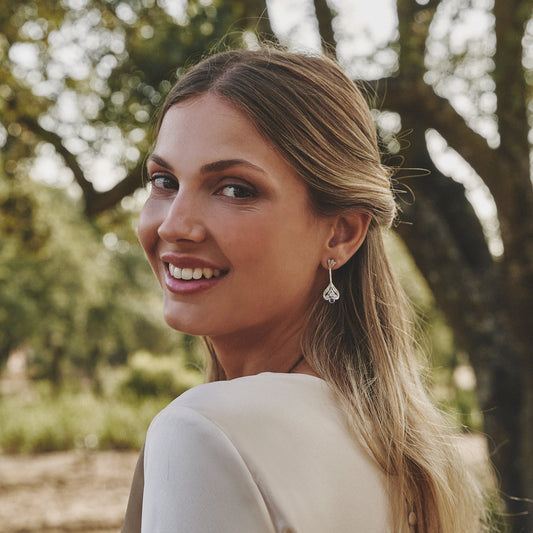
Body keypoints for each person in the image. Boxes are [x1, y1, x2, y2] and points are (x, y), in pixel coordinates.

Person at [121, 47, 487, 532]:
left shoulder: (204, 432)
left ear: (341, 233)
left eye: (235, 189)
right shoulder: (401, 454)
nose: (174, 225)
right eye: (164, 180)